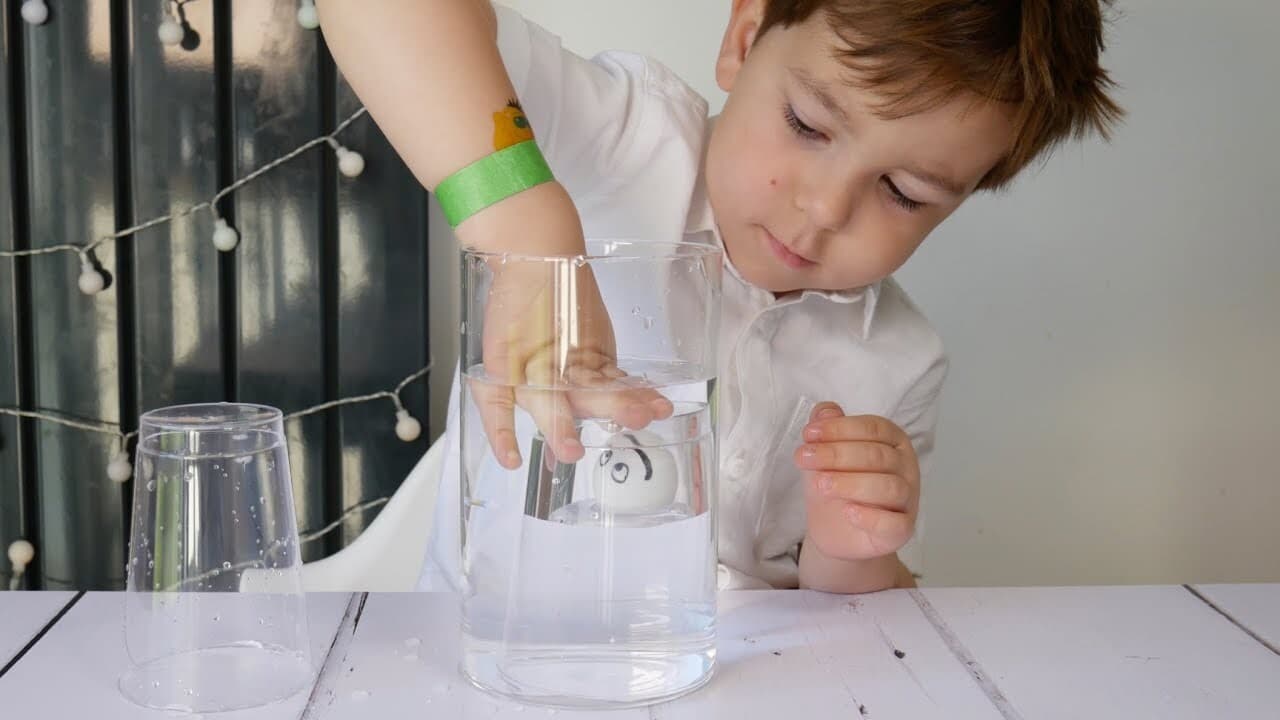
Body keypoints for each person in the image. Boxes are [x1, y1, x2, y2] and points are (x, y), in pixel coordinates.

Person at [316, 0, 1122, 593]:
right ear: (744, 38)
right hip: (500, 671)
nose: (824, 209)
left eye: (905, 193)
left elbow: (864, 647)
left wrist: (855, 552)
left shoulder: (897, 362)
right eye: (808, 124)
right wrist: (525, 227)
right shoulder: (624, 144)